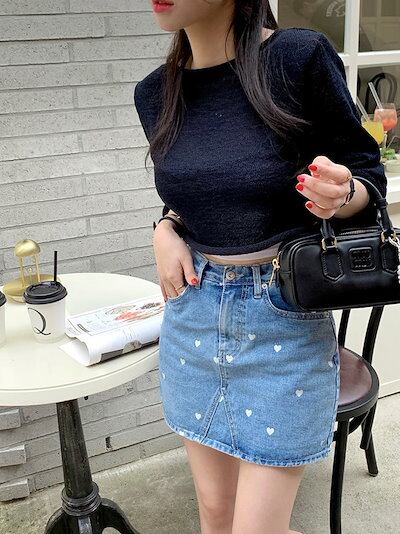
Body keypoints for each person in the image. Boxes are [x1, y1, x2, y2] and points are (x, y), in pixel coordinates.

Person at [134, 1, 386, 532]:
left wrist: (343, 194)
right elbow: (197, 194)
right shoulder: (155, 92)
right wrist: (165, 226)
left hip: (281, 316)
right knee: (214, 513)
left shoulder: (297, 58)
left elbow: (367, 175)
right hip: (193, 314)